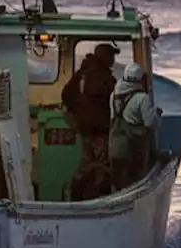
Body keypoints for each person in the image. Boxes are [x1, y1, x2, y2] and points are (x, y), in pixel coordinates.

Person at [62, 43, 119, 200]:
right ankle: (100, 199)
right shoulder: (105, 78)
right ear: (105, 57)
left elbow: (66, 95)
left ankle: (76, 193)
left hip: (83, 128)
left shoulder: (82, 74)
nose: (113, 60)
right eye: (111, 56)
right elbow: (113, 103)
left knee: (87, 163)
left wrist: (78, 113)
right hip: (100, 129)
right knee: (103, 165)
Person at [109, 63, 162, 189]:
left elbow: (112, 117)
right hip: (134, 148)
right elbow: (150, 123)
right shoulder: (142, 98)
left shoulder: (114, 95)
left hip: (115, 146)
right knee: (134, 180)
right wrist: (157, 115)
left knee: (117, 180)